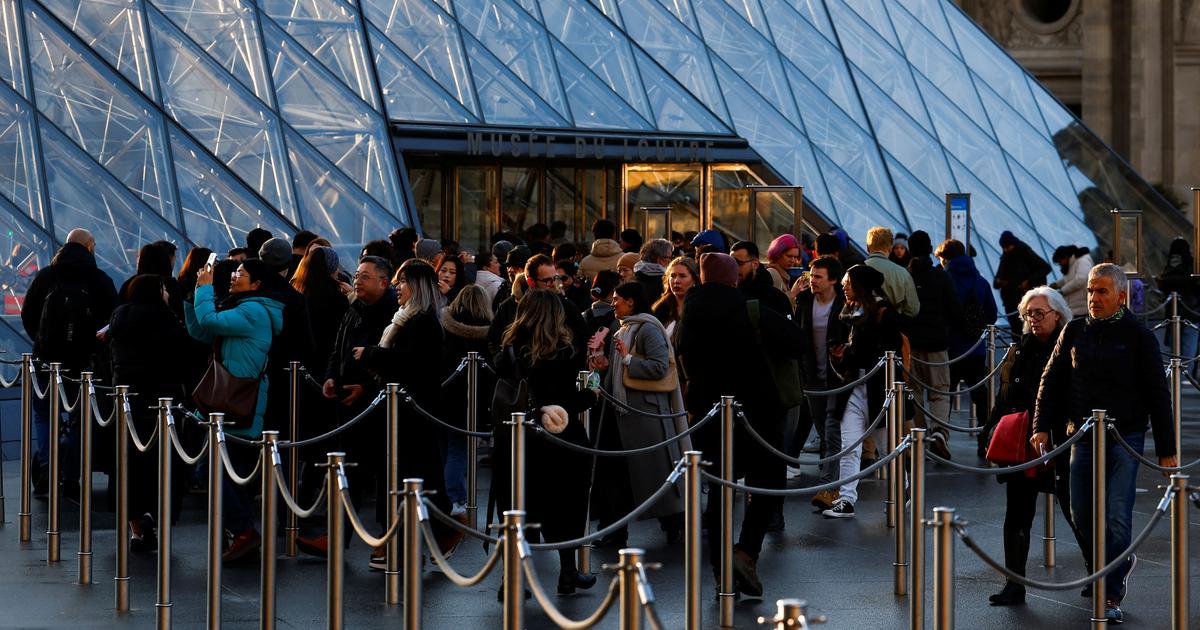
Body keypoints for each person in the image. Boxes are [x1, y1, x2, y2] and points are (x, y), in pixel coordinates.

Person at [1032, 263, 1177, 624]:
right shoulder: (1075, 330)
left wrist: (1167, 449)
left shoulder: (1139, 337)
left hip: (1124, 437)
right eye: (1091, 291)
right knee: (1081, 514)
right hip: (1081, 436)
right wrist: (1041, 426)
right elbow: (1050, 381)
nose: (1093, 298)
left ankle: (1110, 589)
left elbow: (1158, 394)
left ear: (1121, 297)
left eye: (1101, 292)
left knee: (1116, 514)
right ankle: (1112, 563)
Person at [677, 252, 802, 596]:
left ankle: (720, 574)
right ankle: (745, 552)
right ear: (734, 279)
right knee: (767, 484)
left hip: (707, 414)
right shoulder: (751, 310)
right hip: (757, 412)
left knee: (719, 491)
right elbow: (797, 342)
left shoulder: (687, 315)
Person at [493, 289, 598, 594]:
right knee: (567, 505)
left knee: (517, 506)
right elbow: (583, 398)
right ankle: (568, 572)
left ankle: (512, 577)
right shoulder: (567, 352)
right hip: (561, 438)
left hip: (516, 437)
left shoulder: (508, 349)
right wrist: (595, 380)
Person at [986, 287, 1084, 606]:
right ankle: (1014, 583)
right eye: (1028, 314)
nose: (1033, 319)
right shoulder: (1021, 349)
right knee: (1016, 513)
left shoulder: (1072, 347)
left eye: (1039, 313)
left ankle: (1100, 574)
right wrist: (991, 430)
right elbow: (1005, 396)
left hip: (1061, 441)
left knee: (1076, 511)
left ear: (1058, 314)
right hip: (1023, 443)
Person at [357, 259, 455, 565]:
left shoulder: (421, 320)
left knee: (409, 476)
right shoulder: (408, 317)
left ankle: (404, 543)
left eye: (402, 281)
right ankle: (410, 540)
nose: (397, 287)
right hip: (406, 409)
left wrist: (372, 353)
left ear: (417, 286)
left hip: (412, 411)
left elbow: (411, 363)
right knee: (412, 476)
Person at [299, 256, 398, 557]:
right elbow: (337, 348)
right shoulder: (354, 308)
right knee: (349, 472)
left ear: (383, 282)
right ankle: (338, 536)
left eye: (365, 276)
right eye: (357, 274)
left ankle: (387, 537)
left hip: (378, 406)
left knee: (384, 473)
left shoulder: (391, 313)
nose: (357, 280)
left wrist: (366, 388)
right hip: (348, 404)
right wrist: (331, 376)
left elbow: (390, 358)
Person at [187, 258, 285, 561]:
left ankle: (244, 531)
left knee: (212, 471)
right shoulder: (244, 307)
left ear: (256, 284)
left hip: (237, 404)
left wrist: (204, 292)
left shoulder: (253, 311)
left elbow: (210, 322)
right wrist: (194, 296)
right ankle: (243, 534)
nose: (233, 276)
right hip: (230, 403)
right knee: (230, 474)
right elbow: (200, 331)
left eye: (241, 273)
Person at [588, 282, 689, 547]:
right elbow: (614, 373)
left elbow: (659, 367)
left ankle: (674, 523)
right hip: (618, 413)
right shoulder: (622, 328)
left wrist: (628, 360)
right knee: (615, 475)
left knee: (653, 473)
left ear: (631, 302)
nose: (613, 304)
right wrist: (600, 370)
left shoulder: (647, 328)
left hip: (642, 415)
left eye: (617, 299)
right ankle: (613, 530)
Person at [20, 228, 118, 496]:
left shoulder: (46, 276)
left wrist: (41, 341)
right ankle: (72, 476)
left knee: (43, 415)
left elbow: (28, 314)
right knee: (80, 418)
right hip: (83, 363)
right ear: (88, 247)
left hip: (45, 359)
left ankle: (47, 471)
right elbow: (112, 321)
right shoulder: (99, 279)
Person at [108, 274, 188, 549]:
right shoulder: (167, 320)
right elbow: (182, 359)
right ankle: (155, 514)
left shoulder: (119, 318)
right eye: (164, 289)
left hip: (127, 400)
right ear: (157, 292)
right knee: (161, 463)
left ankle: (135, 530)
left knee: (129, 465)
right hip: (161, 401)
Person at [824, 264, 903, 519]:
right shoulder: (850, 312)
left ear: (861, 286)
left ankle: (903, 488)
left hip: (878, 389)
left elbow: (890, 355)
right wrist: (840, 356)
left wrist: (849, 354)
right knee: (850, 445)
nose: (844, 287)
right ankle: (846, 499)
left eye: (848, 283)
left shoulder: (883, 313)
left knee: (886, 447)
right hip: (854, 387)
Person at [937, 239, 999, 456]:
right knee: (980, 395)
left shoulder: (944, 279)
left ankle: (941, 438)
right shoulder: (980, 281)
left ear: (945, 257)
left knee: (945, 395)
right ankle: (986, 440)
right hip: (975, 348)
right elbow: (991, 313)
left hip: (950, 348)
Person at [795, 256, 846, 511]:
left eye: (818, 277)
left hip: (838, 377)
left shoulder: (844, 303)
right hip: (813, 376)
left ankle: (829, 486)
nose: (812, 281)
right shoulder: (804, 302)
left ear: (833, 280)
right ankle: (831, 480)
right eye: (811, 276)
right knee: (823, 430)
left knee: (831, 428)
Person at [904, 231, 960, 459]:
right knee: (940, 392)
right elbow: (954, 309)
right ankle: (939, 433)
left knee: (914, 393)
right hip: (937, 344)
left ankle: (920, 437)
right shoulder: (941, 276)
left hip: (912, 344)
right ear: (929, 249)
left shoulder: (906, 276)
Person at [439, 285, 494, 516]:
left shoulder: (446, 327)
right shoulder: (489, 331)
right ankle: (455, 495)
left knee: (452, 448)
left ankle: (451, 496)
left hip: (448, 396)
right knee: (461, 449)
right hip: (478, 399)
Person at [994, 231, 1051, 332]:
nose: (1005, 250)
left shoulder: (1024, 252)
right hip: (1010, 302)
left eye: (1008, 247)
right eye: (1004, 248)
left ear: (1013, 244)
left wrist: (1028, 282)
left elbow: (1044, 268)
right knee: (1016, 331)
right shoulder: (1005, 257)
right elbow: (996, 280)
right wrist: (999, 282)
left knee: (1026, 331)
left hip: (1025, 301)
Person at [1156, 237, 1200, 368]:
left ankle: (1176, 376)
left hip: (1173, 311)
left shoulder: (1169, 265)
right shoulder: (1191, 265)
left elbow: (1164, 284)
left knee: (1174, 349)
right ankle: (1186, 378)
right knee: (1189, 348)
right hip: (1192, 311)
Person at [862, 227, 919, 318]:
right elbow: (913, 309)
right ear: (890, 248)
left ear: (868, 247)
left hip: (863, 329)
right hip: (890, 329)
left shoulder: (853, 270)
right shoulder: (903, 273)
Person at [731, 241, 792, 316]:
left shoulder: (775, 298)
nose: (734, 268)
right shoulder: (729, 294)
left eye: (739, 263)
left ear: (755, 264)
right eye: (731, 263)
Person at [651, 256, 700, 341]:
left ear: (694, 280)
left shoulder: (700, 309)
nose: (676, 281)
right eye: (673, 276)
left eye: (682, 276)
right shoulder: (660, 309)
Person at [1049, 245, 1092, 318]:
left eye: (1060, 261)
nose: (1060, 264)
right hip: (1075, 308)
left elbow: (1080, 280)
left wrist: (1062, 291)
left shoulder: (1082, 261)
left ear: (1066, 256)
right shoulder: (1073, 263)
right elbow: (1070, 278)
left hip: (1083, 308)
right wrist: (1056, 284)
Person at [634, 239, 673, 304]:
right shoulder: (665, 281)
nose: (670, 261)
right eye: (668, 257)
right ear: (658, 259)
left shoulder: (635, 275)